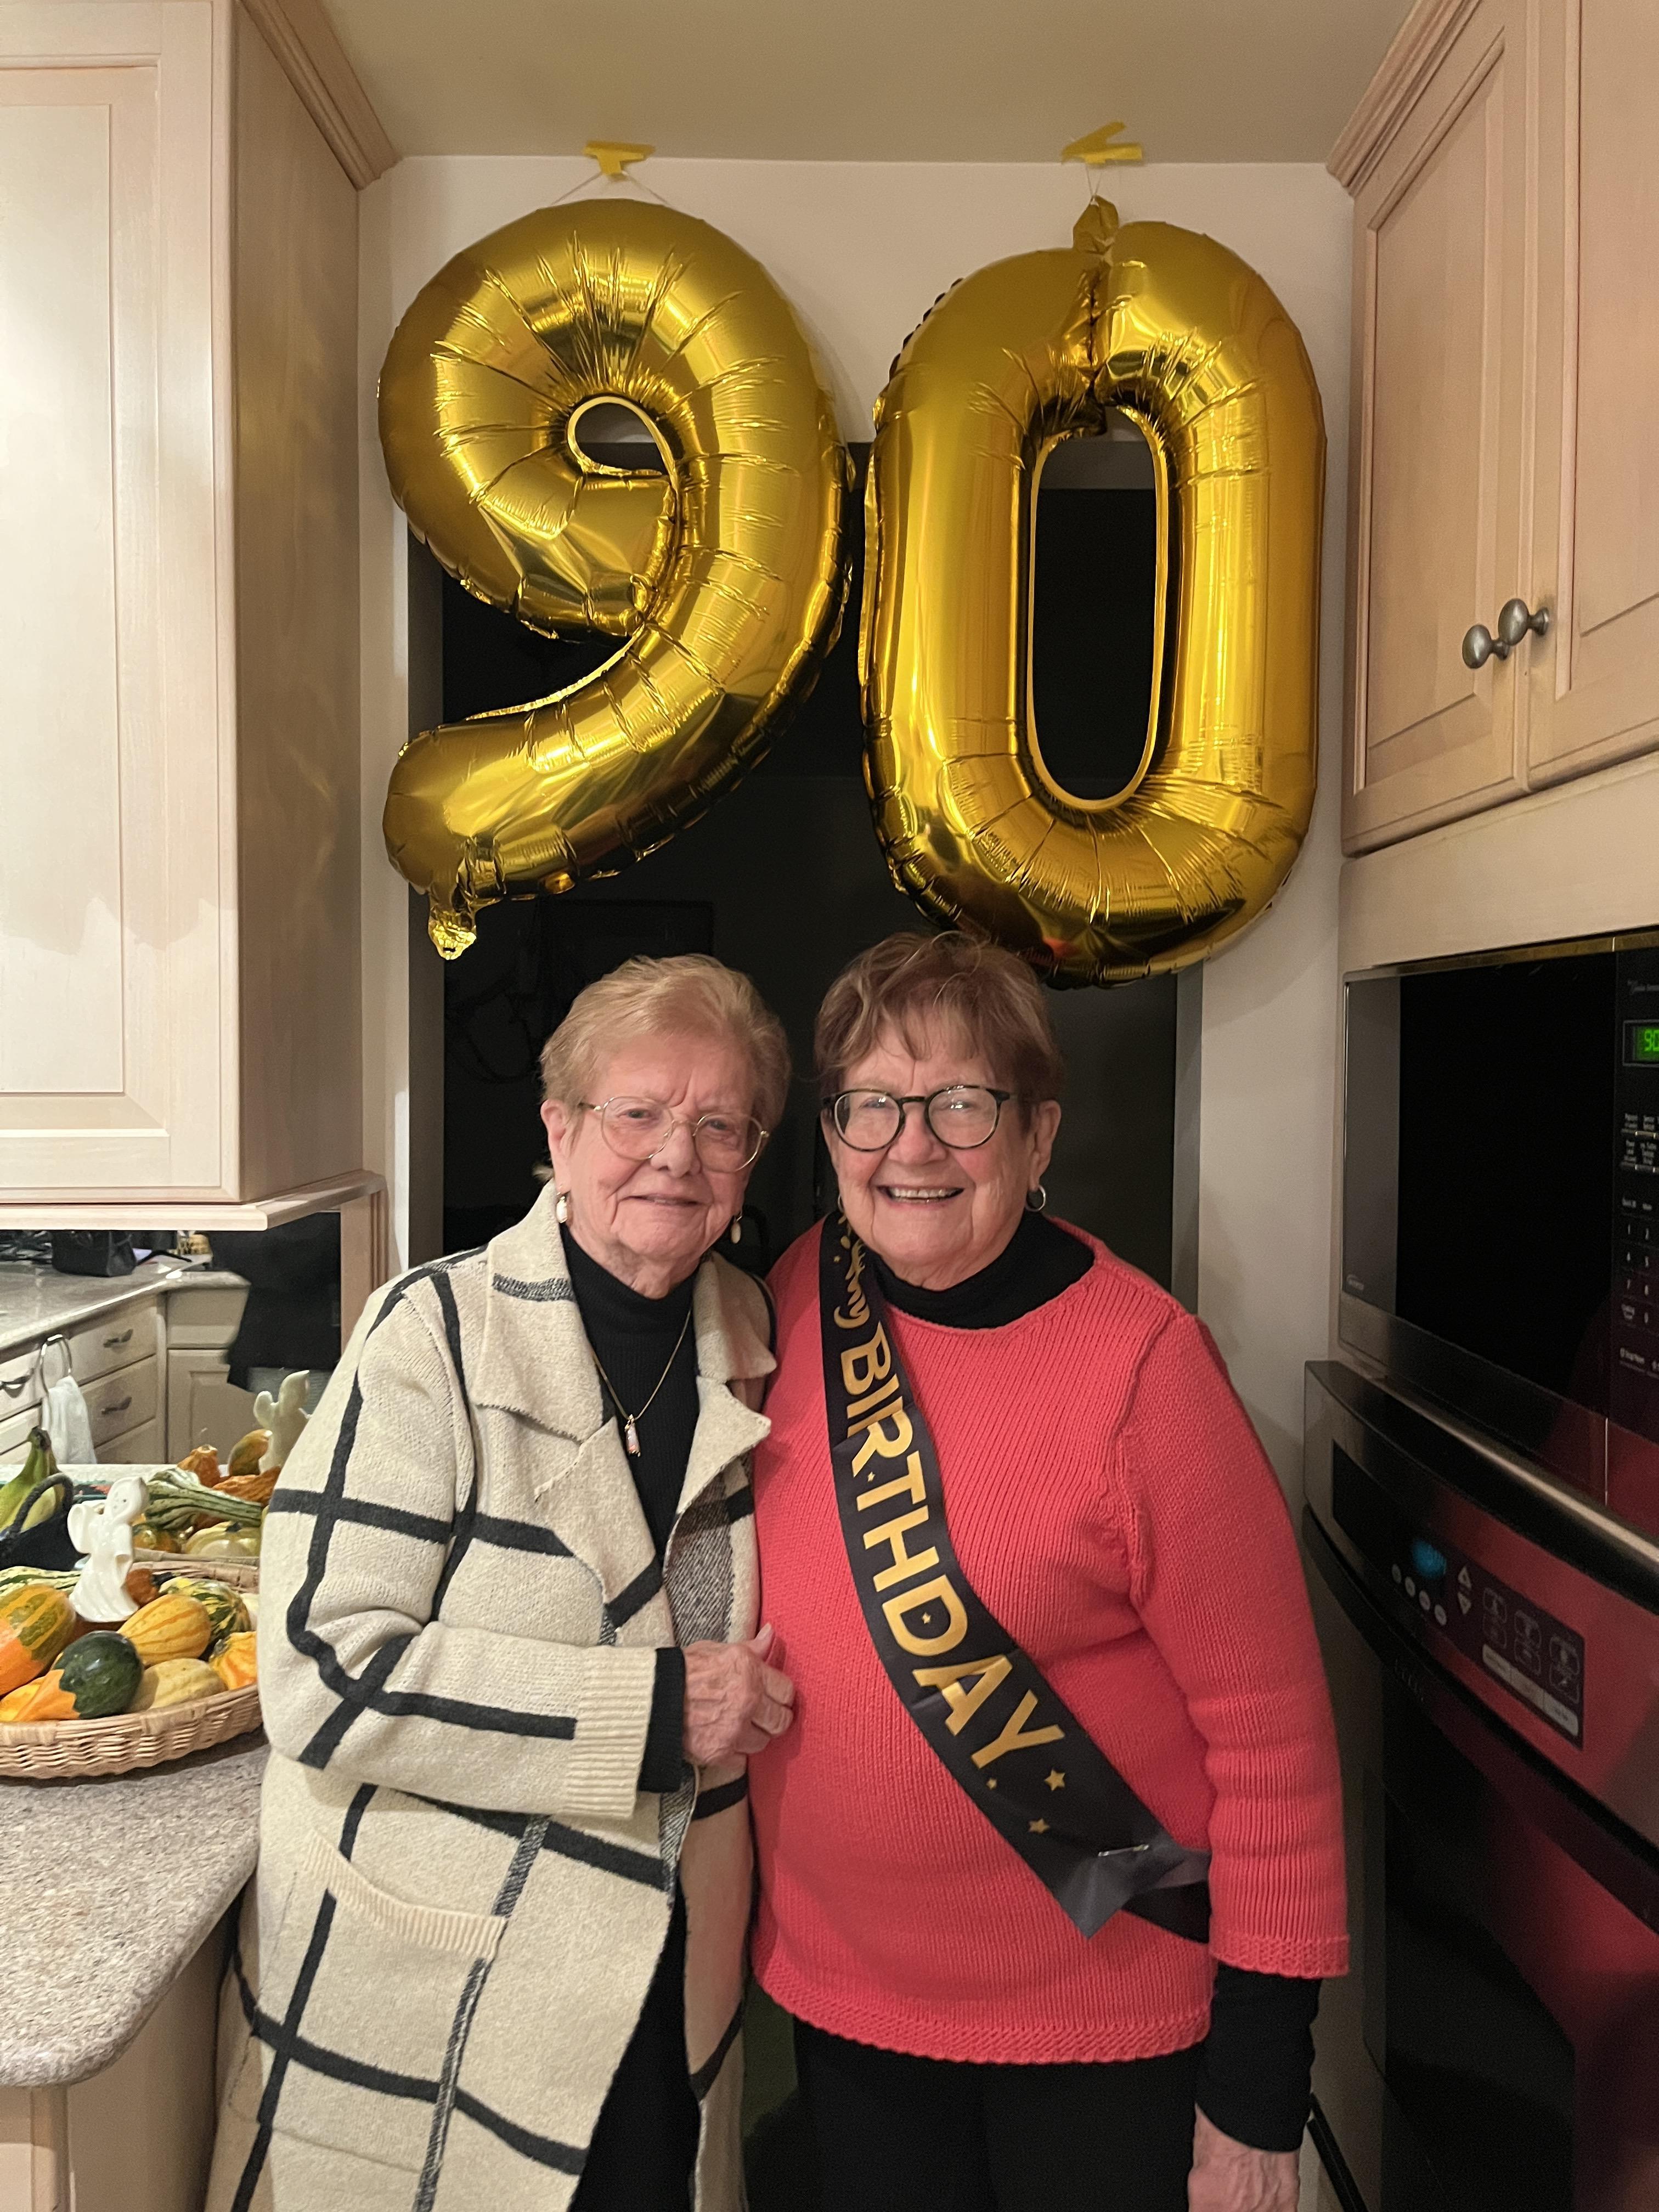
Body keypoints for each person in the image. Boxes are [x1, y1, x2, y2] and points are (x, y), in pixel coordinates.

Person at [748, 933, 1348, 2212]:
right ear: (835, 1133)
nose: (912, 1147)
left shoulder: (1147, 1369)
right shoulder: (795, 1299)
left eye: (964, 1104)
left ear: (1038, 1136)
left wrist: (1259, 2096)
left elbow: (1274, 1747)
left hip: (1109, 2025)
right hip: (849, 2004)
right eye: (871, 1107)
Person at [207, 955, 798, 2212]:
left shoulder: (756, 1340)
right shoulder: (433, 1332)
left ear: (751, 1161)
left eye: (718, 1125)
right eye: (636, 1113)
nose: (673, 1158)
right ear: (561, 1131)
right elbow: (320, 1668)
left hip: (663, 1971)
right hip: (441, 1978)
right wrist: (647, 1716)